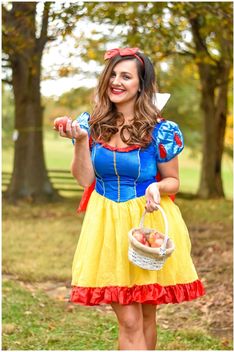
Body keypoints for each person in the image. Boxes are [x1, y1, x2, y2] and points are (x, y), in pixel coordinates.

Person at [55, 47, 205, 350]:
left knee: (147, 316)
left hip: (146, 223)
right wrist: (80, 141)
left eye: (126, 76)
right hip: (106, 225)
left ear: (141, 85)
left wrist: (157, 188)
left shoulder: (161, 131)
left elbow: (173, 180)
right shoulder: (91, 125)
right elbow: (85, 180)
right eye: (112, 74)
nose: (116, 81)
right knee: (130, 320)